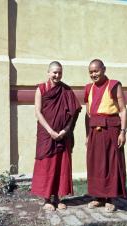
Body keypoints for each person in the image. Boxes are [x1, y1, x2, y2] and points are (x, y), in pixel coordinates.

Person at [31, 61, 81, 211]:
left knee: (61, 165)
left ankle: (59, 197)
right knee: (47, 165)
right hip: (46, 134)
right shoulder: (41, 89)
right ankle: (47, 199)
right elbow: (38, 112)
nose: (57, 75)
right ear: (48, 73)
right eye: (54, 72)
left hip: (62, 135)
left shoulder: (66, 90)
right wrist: (50, 131)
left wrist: (65, 131)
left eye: (59, 72)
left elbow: (73, 113)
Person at [84, 59, 127, 212]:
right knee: (95, 164)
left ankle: (110, 198)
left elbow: (122, 110)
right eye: (91, 72)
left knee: (111, 163)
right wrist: (87, 135)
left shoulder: (114, 85)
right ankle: (98, 196)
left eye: (96, 70)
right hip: (94, 132)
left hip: (111, 129)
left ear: (103, 69)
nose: (93, 74)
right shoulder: (89, 88)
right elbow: (88, 114)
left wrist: (123, 132)